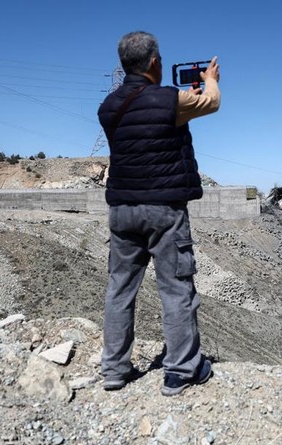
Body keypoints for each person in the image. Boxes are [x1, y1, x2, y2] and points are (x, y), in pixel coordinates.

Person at [97, 31, 220, 396]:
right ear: (154, 62)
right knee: (176, 289)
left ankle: (114, 370)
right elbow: (211, 102)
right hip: (163, 209)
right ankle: (181, 371)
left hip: (122, 210)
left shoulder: (108, 107)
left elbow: (143, 124)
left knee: (119, 289)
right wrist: (210, 79)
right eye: (161, 59)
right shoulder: (170, 99)